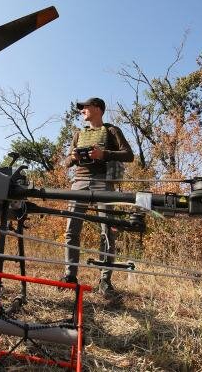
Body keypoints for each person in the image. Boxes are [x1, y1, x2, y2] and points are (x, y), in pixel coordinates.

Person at [62, 97, 134, 296]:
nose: (81, 111)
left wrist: (103, 154)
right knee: (71, 230)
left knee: (107, 231)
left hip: (104, 182)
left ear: (97, 109)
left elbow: (129, 155)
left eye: (84, 107)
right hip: (79, 182)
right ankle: (69, 275)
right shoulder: (78, 134)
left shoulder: (112, 131)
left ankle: (104, 280)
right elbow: (66, 162)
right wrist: (74, 158)